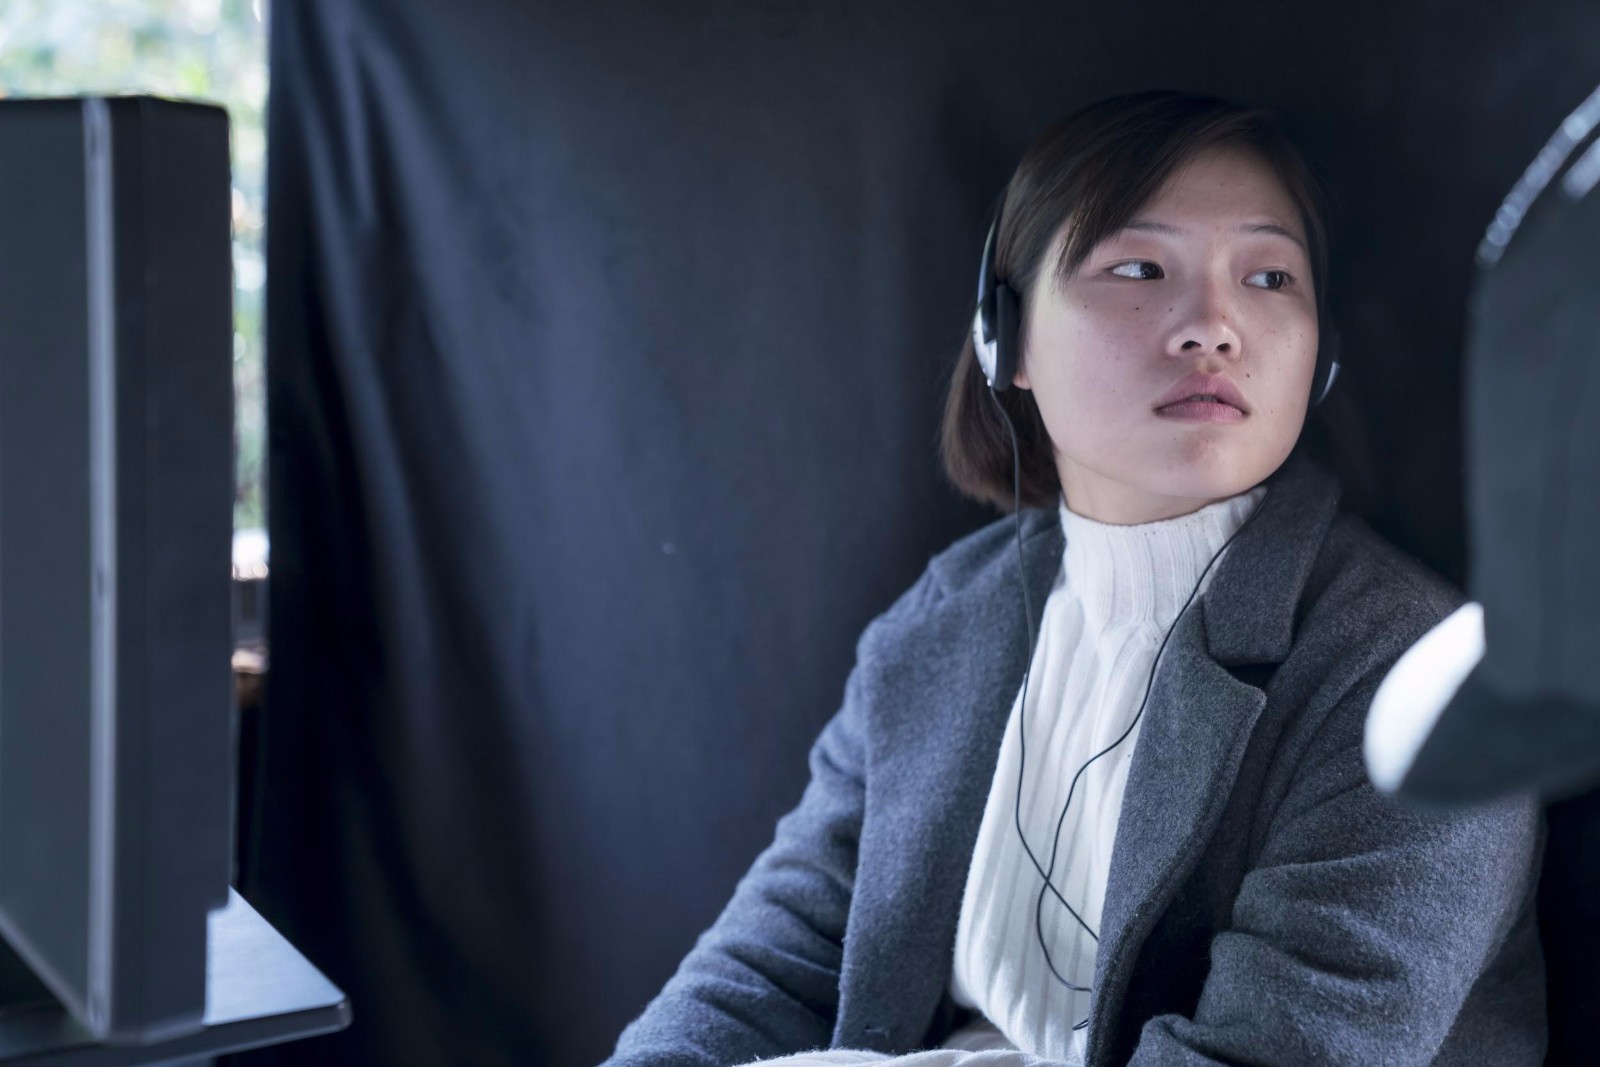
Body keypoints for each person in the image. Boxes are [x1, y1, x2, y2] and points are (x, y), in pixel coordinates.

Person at [602, 90, 1546, 1067]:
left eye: (1270, 276)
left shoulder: (1408, 674)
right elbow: (774, 958)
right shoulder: (942, 621)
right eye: (1139, 268)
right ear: (1004, 338)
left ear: (1323, 356)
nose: (1214, 327)